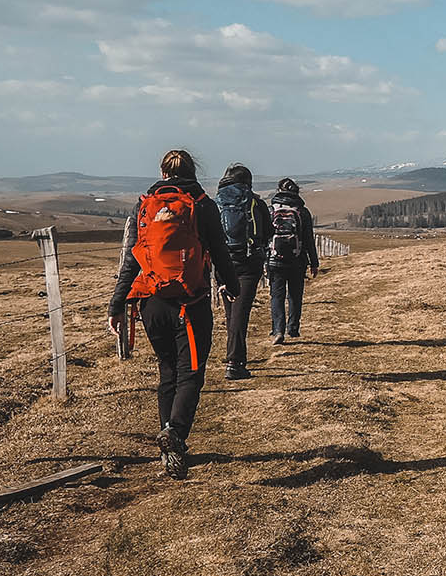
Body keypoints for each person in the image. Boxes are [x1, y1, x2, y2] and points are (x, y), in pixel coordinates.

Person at [108, 149, 237, 480]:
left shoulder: (145, 206)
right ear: (193, 172)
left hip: (150, 303)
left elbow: (132, 259)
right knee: (191, 372)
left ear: (162, 173)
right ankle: (175, 434)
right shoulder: (202, 204)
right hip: (189, 304)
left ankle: (169, 443)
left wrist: (117, 305)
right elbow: (219, 250)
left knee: (168, 371)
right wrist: (231, 285)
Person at [214, 163, 271, 381]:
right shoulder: (255, 201)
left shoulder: (217, 202)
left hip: (222, 264)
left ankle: (234, 355)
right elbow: (268, 232)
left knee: (231, 312)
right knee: (240, 312)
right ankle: (234, 363)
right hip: (248, 264)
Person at [266, 177, 320, 343]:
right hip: (298, 260)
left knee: (276, 295)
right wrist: (314, 262)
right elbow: (309, 240)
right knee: (295, 295)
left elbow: (265, 235)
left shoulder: (271, 210)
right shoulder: (302, 212)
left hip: (275, 260)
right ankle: (293, 328)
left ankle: (277, 330)